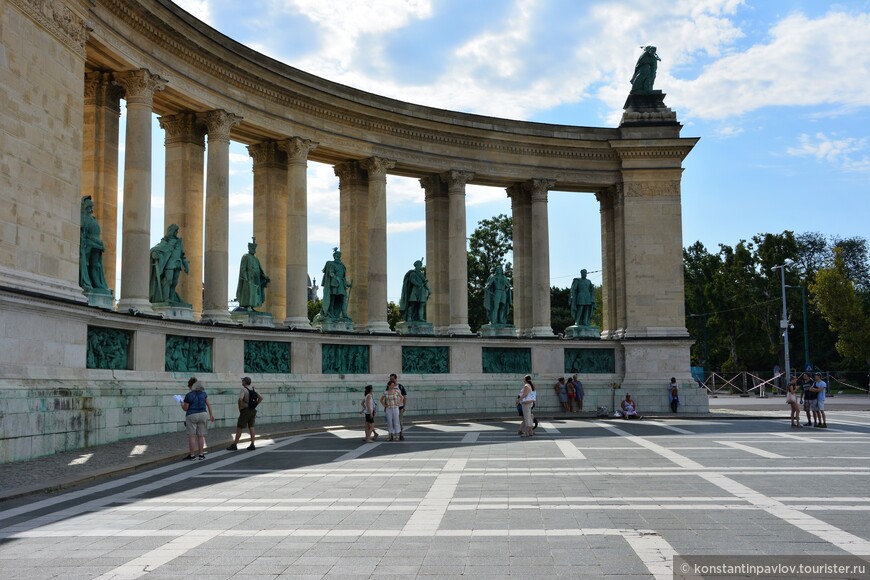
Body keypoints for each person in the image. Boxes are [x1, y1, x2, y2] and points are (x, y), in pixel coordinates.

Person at [149, 223, 190, 304]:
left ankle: (171, 298)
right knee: (168, 280)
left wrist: (186, 265)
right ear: (172, 231)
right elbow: (156, 249)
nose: (177, 233)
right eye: (176, 231)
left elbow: (182, 255)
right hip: (170, 264)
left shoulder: (179, 242)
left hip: (177, 263)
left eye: (177, 231)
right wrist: (155, 253)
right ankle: (166, 298)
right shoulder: (165, 241)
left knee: (174, 282)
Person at [79, 196, 110, 292]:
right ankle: (89, 282)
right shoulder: (83, 218)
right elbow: (83, 233)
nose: (91, 209)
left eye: (91, 207)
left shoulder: (92, 219)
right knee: (89, 264)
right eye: (89, 207)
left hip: (96, 245)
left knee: (96, 265)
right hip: (89, 245)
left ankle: (97, 283)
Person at [181, 379, 214, 460]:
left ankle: (192, 455)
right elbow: (209, 405)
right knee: (201, 436)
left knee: (192, 436)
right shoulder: (204, 394)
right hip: (203, 414)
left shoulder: (189, 395)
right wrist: (211, 415)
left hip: (192, 415)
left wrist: (181, 403)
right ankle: (201, 454)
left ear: (191, 386)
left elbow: (185, 408)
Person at [227, 377, 263, 450]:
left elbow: (240, 399)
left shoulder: (243, 389)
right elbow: (261, 398)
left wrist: (240, 407)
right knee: (251, 427)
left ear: (245, 382)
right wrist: (255, 404)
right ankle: (252, 444)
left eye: (242, 381)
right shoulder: (253, 389)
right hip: (253, 410)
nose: (242, 382)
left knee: (239, 427)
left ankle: (235, 444)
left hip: (245, 410)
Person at [235, 237, 270, 310]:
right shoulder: (245, 256)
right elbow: (243, 268)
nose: (253, 250)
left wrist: (264, 277)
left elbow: (260, 270)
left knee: (254, 294)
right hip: (249, 278)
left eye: (254, 249)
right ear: (249, 249)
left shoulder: (256, 259)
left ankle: (252, 306)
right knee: (249, 293)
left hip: (255, 279)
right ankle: (248, 306)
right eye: (252, 249)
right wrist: (245, 277)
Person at [320, 247, 351, 320]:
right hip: (334, 284)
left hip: (341, 284)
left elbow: (343, 276)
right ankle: (331, 313)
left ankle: (344, 314)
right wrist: (335, 277)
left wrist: (347, 284)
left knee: (343, 299)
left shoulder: (342, 265)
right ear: (334, 256)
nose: (338, 257)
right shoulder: (332, 264)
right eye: (337, 255)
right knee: (332, 299)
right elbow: (331, 272)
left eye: (339, 256)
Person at [389, 373, 408, 440]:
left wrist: (404, 407)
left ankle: (401, 435)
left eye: (392, 379)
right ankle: (391, 435)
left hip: (399, 407)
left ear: (396, 379)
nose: (391, 380)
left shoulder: (400, 387)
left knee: (400, 421)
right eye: (390, 379)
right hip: (391, 407)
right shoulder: (388, 387)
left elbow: (404, 397)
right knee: (391, 421)